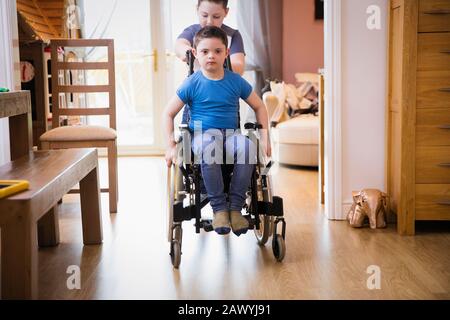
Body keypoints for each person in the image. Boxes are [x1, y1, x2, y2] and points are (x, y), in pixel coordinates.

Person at [164, 26, 270, 236]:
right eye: (205, 51)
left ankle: (235, 209)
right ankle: (219, 209)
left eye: (217, 51)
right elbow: (168, 113)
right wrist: (170, 146)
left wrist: (266, 139)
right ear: (195, 54)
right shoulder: (192, 83)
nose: (211, 56)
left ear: (226, 53)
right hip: (202, 134)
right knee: (209, 146)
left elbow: (259, 106)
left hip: (231, 134)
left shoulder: (235, 81)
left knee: (248, 148)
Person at [175, 0, 245, 75]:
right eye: (204, 15)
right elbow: (179, 45)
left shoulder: (233, 35)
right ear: (197, 9)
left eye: (216, 17)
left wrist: (216, 62)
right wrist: (188, 52)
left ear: (226, 12)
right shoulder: (192, 32)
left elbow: (239, 67)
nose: (209, 22)